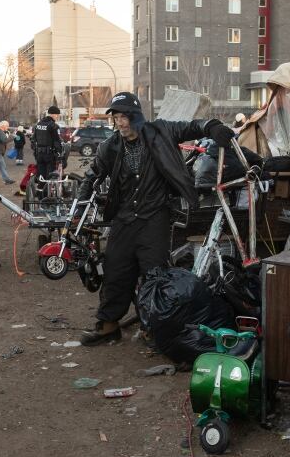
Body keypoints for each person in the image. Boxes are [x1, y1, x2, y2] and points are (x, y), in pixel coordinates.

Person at [76, 92, 235, 346]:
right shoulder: (111, 146)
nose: (120, 123)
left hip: (155, 216)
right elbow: (92, 174)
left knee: (154, 274)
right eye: (116, 117)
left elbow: (192, 126)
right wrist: (80, 205)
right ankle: (108, 325)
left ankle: (154, 326)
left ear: (136, 116)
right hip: (124, 218)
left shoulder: (161, 131)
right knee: (116, 268)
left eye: (125, 116)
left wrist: (212, 126)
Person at [31, 106, 63, 182]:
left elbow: (33, 139)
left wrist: (35, 150)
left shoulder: (38, 124)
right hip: (49, 154)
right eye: (57, 115)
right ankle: (47, 192)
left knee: (41, 175)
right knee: (49, 175)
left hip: (39, 154)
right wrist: (59, 152)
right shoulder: (53, 125)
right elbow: (56, 141)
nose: (57, 117)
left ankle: (40, 191)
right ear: (53, 114)